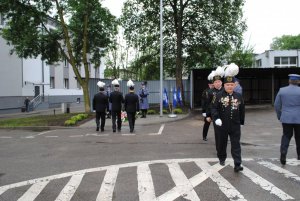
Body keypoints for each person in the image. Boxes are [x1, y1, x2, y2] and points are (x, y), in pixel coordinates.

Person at [211, 63, 245, 172]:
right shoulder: (218, 96)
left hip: (235, 125)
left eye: (231, 85)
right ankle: (222, 158)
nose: (229, 86)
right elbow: (213, 108)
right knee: (222, 143)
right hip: (222, 124)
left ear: (234, 85)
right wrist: (216, 118)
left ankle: (237, 164)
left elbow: (242, 108)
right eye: (227, 85)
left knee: (236, 144)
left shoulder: (238, 96)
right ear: (224, 85)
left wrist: (241, 121)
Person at [274, 74, 300, 165]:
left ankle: (283, 154)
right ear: (298, 81)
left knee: (286, 136)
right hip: (299, 118)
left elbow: (277, 105)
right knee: (299, 137)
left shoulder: (282, 90)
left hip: (286, 118)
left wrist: (280, 115)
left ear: (289, 81)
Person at [206, 67, 225, 152]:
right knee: (217, 133)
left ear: (221, 82)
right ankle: (219, 149)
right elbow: (208, 104)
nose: (217, 83)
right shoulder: (210, 92)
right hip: (215, 115)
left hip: (225, 115)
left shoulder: (225, 90)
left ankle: (223, 148)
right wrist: (208, 115)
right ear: (213, 83)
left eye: (219, 82)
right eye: (215, 82)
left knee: (224, 133)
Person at [201, 73, 214, 141]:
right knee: (206, 124)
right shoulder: (205, 92)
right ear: (208, 85)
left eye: (213, 85)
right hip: (207, 110)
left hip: (215, 110)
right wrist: (203, 111)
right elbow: (203, 102)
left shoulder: (216, 91)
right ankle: (204, 136)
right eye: (211, 85)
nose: (212, 86)